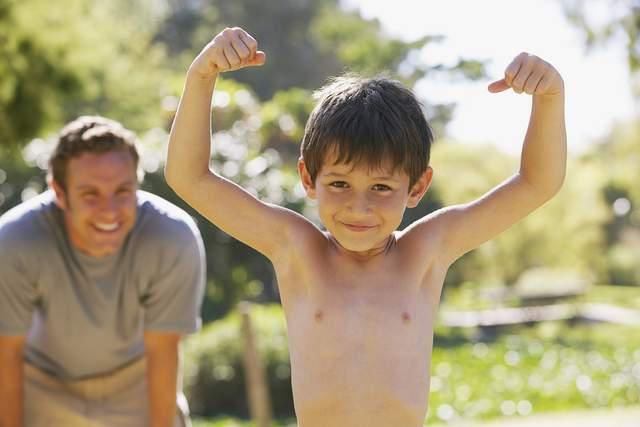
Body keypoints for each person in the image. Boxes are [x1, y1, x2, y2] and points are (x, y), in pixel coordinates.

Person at [165, 27, 566, 427]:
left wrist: (549, 98)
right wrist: (202, 76)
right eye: (339, 184)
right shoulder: (297, 249)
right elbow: (189, 177)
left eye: (381, 187)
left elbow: (536, 183)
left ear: (417, 187)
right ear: (308, 179)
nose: (359, 207)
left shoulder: (426, 251)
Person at [0, 116, 206, 427]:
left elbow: (163, 352)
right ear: (59, 192)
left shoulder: (172, 238)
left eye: (123, 191)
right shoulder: (15, 241)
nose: (109, 211)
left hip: (136, 380)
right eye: (90, 195)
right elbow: (6, 356)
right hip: (42, 382)